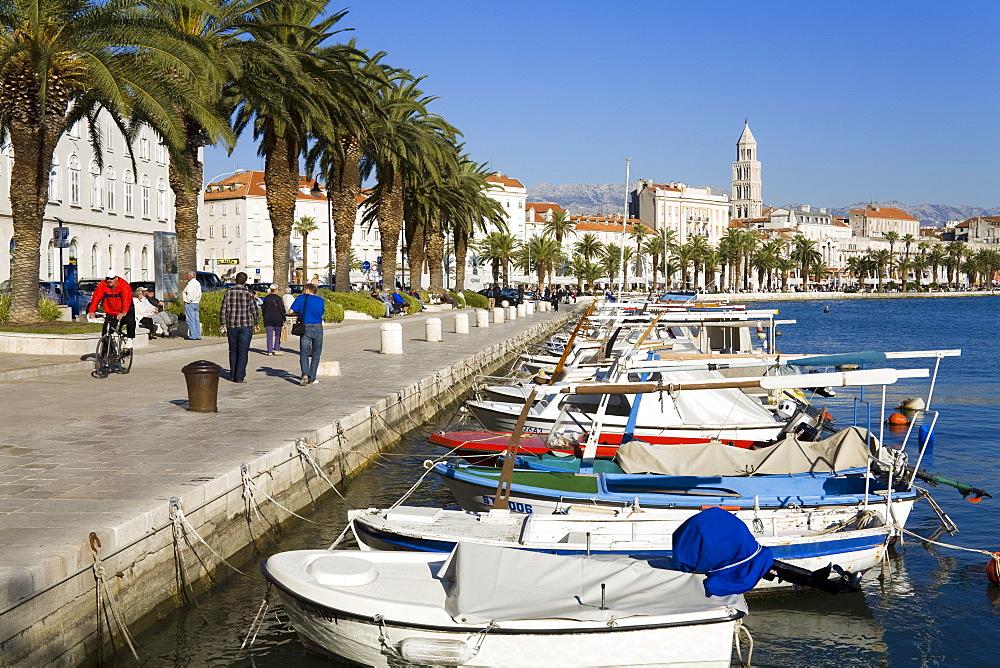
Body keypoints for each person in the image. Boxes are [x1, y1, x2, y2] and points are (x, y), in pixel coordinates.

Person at [219, 272, 260, 383]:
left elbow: (223, 310)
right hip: (245, 325)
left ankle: (232, 374)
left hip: (232, 325)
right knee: (243, 351)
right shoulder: (249, 293)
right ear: (245, 281)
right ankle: (239, 376)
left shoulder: (228, 293)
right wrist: (256, 323)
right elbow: (254, 310)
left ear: (235, 280)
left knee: (233, 351)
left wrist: (223, 324)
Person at [288, 283, 325, 386]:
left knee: (304, 352)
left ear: (308, 290)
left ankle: (305, 373)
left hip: (306, 328)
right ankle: (312, 378)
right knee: (316, 353)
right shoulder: (321, 301)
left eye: (304, 289)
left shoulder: (301, 298)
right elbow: (321, 313)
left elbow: (291, 311)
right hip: (318, 327)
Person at [88, 274, 136, 347]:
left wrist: (123, 312)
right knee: (106, 330)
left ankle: (130, 339)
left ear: (116, 278)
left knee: (130, 321)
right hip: (111, 309)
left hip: (126, 307)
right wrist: (92, 311)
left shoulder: (124, 285)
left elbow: (126, 300)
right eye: (107, 278)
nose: (109, 280)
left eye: (111, 278)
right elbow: (96, 298)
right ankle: (106, 351)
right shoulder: (102, 285)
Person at [261, 284, 285, 355]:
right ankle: (277, 349)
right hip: (278, 318)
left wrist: (264, 316)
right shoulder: (279, 298)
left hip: (268, 318)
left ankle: (270, 351)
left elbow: (263, 309)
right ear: (276, 290)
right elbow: (281, 309)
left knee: (269, 335)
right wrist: (284, 317)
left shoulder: (266, 298)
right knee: (278, 334)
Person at [182, 271, 202, 340]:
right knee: (196, 320)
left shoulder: (191, 283)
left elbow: (189, 293)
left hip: (191, 303)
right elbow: (200, 293)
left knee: (190, 320)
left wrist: (187, 300)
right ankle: (198, 335)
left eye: (188, 275)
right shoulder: (197, 283)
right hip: (196, 303)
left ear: (190, 276)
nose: (187, 276)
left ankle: (193, 336)